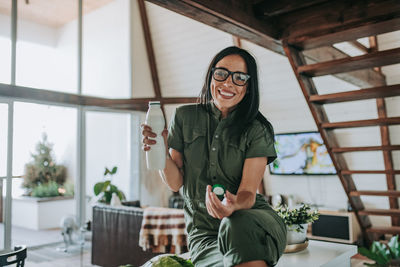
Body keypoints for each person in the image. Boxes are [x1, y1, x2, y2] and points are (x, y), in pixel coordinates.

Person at [142, 46, 286, 267]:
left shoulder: (257, 129)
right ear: (211, 76)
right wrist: (160, 149)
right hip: (204, 233)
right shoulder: (183, 116)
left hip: (251, 220)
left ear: (248, 87)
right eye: (221, 73)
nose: (228, 83)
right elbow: (175, 182)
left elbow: (248, 192)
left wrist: (233, 207)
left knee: (235, 224)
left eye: (239, 78)